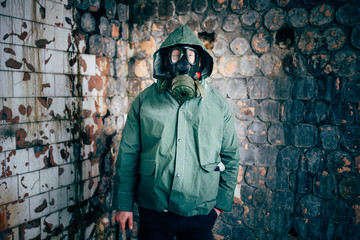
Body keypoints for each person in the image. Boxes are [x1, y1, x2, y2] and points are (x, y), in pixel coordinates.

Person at [113, 25, 240, 240]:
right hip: (154, 212)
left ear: (200, 62)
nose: (183, 63)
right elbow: (128, 155)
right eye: (176, 55)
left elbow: (231, 155)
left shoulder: (218, 106)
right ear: (164, 60)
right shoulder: (144, 102)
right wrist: (124, 203)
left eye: (191, 55)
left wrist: (220, 205)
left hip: (200, 213)